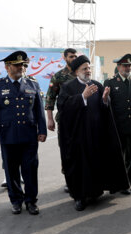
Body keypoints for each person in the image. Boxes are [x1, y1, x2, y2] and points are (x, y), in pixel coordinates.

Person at [57, 55, 130, 211]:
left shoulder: (97, 85)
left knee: (97, 164)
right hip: (78, 137)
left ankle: (95, 192)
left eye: (89, 68)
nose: (88, 71)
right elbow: (63, 108)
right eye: (84, 68)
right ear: (77, 71)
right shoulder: (68, 87)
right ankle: (80, 197)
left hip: (97, 135)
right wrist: (82, 97)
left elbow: (104, 109)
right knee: (81, 168)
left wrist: (105, 100)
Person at [0, 50, 47, 215]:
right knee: (11, 170)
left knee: (30, 170)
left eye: (22, 65)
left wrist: (42, 130)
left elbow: (39, 111)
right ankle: (16, 200)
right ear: (8, 67)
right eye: (17, 65)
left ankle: (31, 201)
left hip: (29, 136)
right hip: (8, 136)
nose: (21, 67)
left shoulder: (32, 84)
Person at [103, 53, 131, 193]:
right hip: (119, 126)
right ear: (118, 67)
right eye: (125, 65)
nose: (128, 68)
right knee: (120, 156)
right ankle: (123, 183)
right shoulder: (110, 82)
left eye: (129, 65)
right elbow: (106, 105)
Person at [45, 48, 77, 193]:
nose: (74, 58)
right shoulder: (58, 76)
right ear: (65, 58)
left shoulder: (81, 73)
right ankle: (69, 180)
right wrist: (50, 119)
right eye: (71, 56)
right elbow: (50, 98)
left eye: (75, 56)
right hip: (64, 121)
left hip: (81, 120)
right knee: (66, 150)